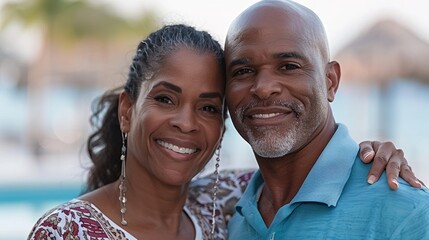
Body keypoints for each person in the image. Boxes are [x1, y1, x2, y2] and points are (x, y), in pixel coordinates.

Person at [28, 22, 421, 240]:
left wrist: (371, 155)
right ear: (128, 111)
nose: (186, 122)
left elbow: (308, 168)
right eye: (165, 99)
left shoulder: (224, 206)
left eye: (208, 107)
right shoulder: (67, 231)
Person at [224, 1, 429, 239]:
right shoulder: (235, 215)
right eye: (243, 71)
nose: (263, 88)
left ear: (330, 81)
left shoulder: (405, 212)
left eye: (289, 66)